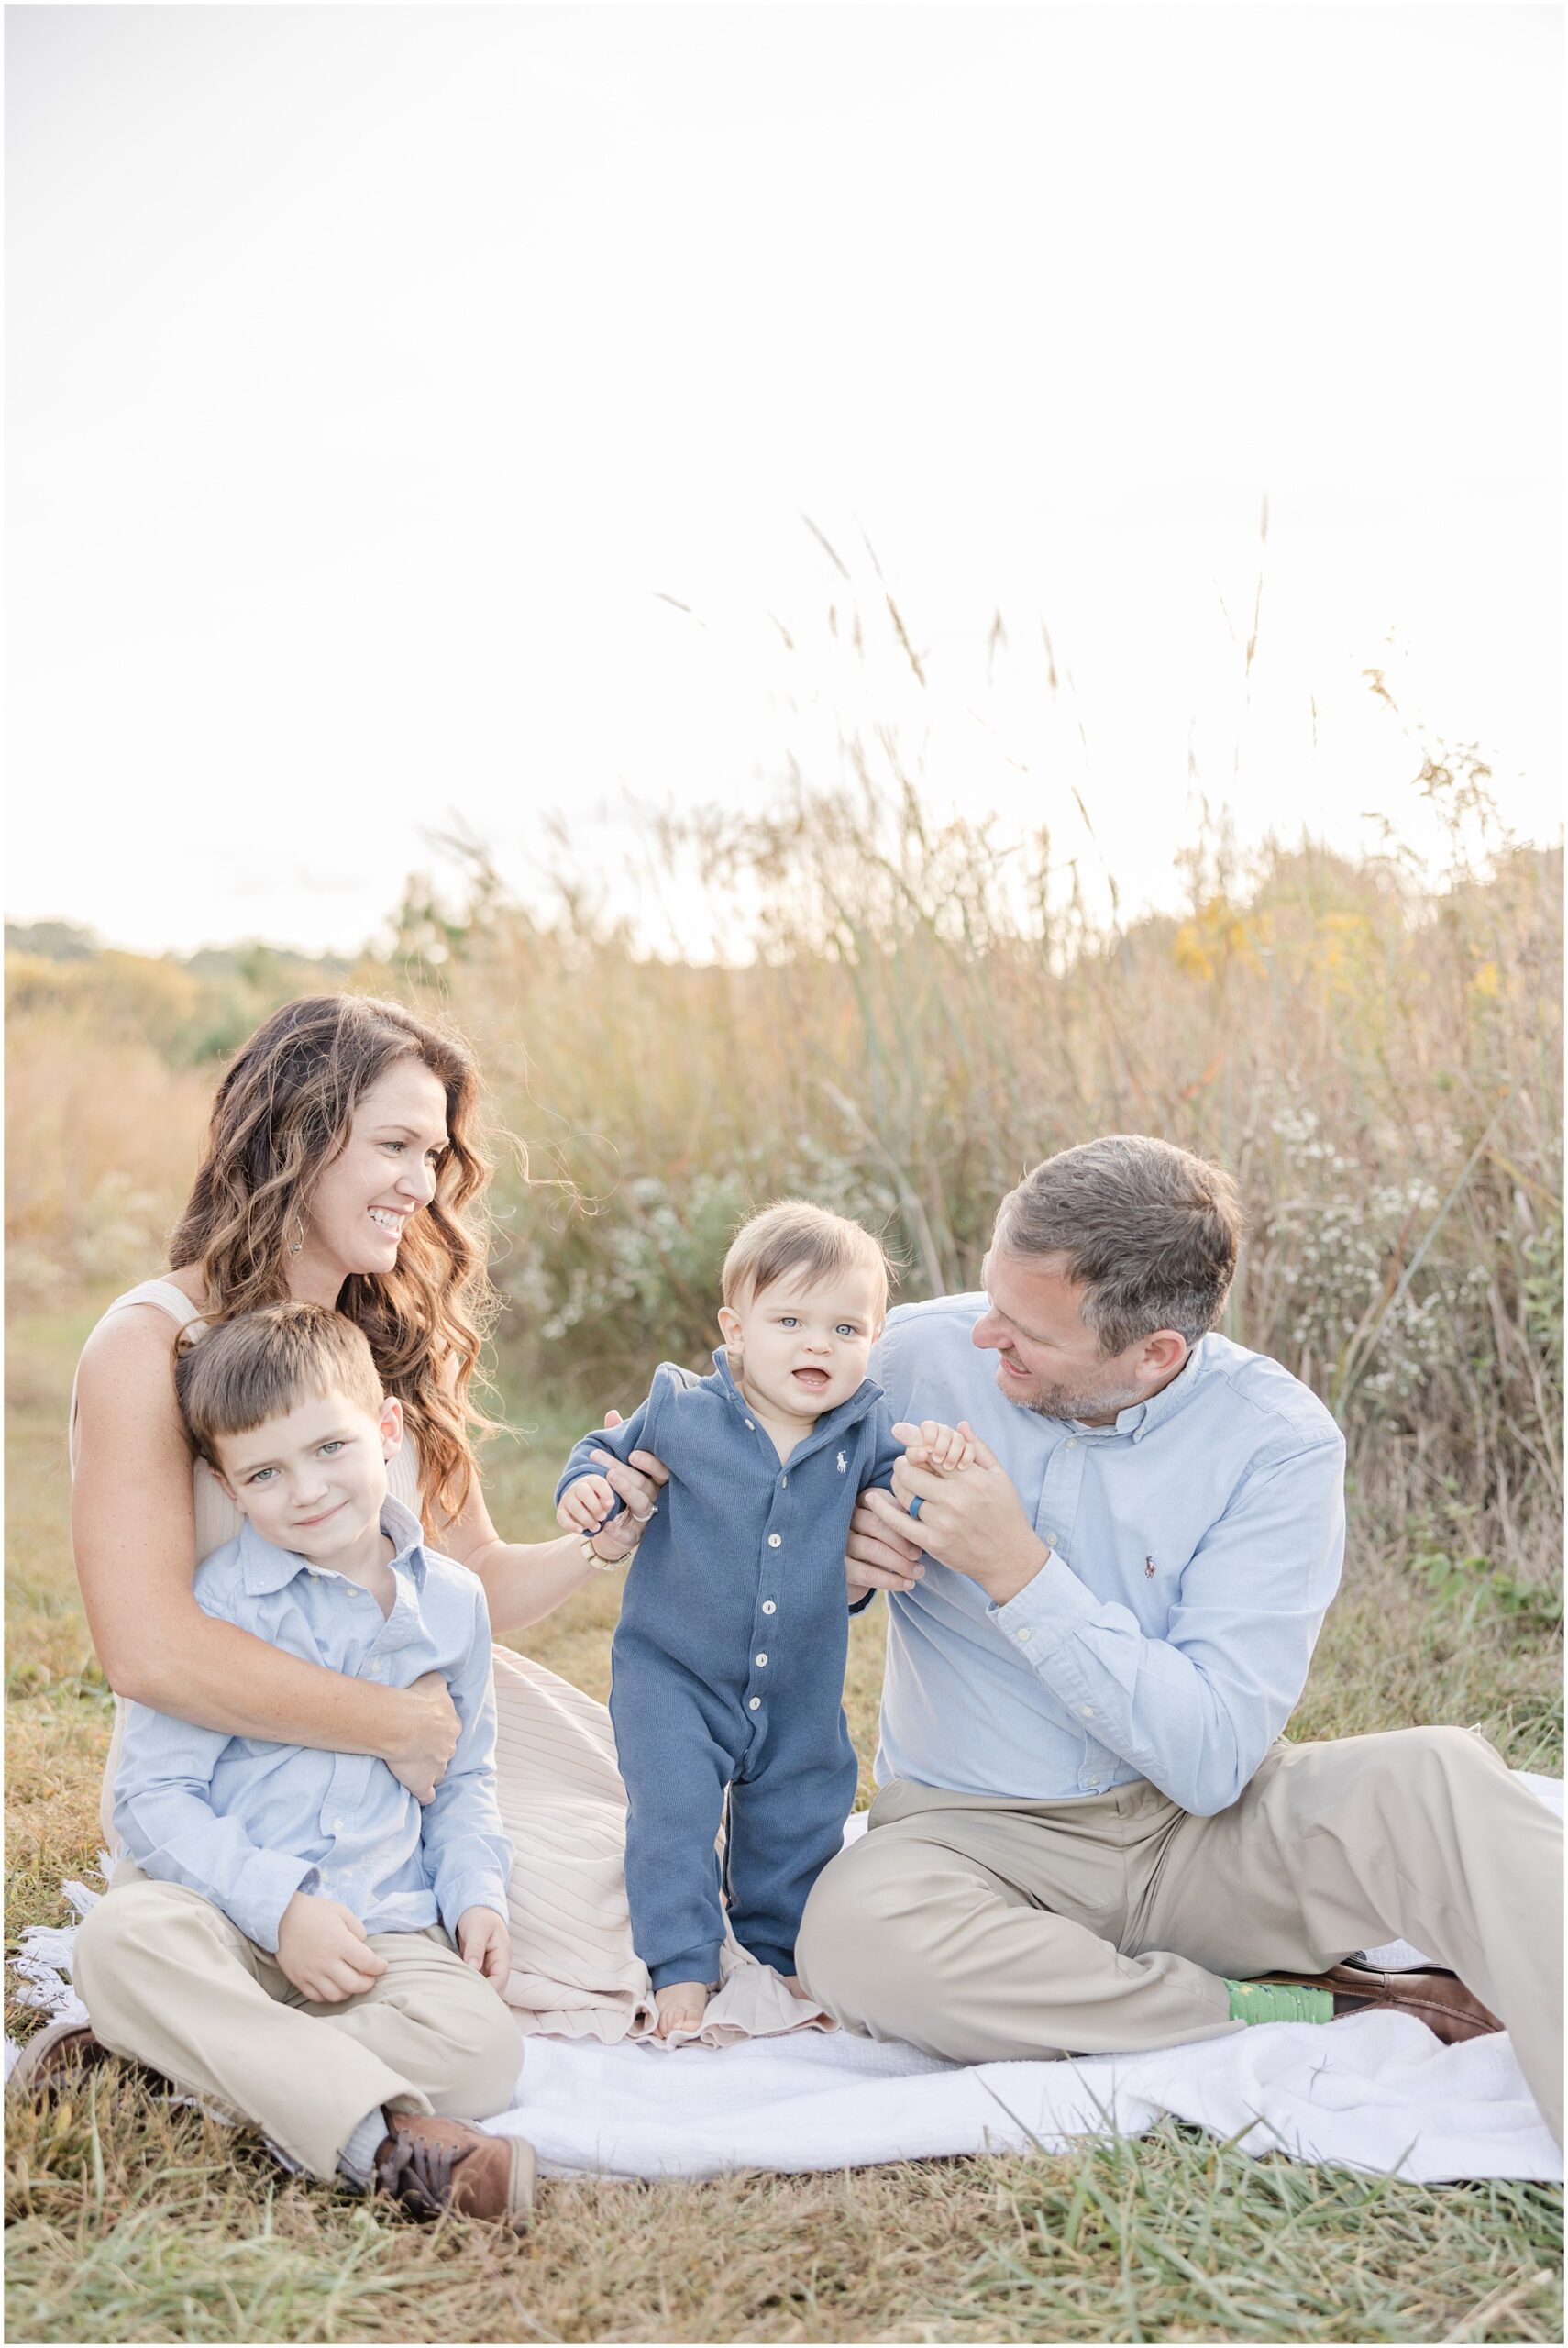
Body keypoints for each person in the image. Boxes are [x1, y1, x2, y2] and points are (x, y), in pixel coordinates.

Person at [798, 1134, 1564, 2151]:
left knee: (1444, 1779)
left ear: (1155, 1350)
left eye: (1028, 1332)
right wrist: (830, 1563)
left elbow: (1210, 1760)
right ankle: (1300, 2006)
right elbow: (754, 1545)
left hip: (1201, 1835)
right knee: (853, 1936)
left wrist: (1018, 1570)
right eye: (990, 1300)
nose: (985, 1338)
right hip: (969, 1837)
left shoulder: (1278, 1444)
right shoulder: (901, 1359)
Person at [13, 995, 665, 2093]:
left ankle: (188, 2049)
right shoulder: (149, 1343)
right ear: (298, 1137)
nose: (424, 1182)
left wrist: (613, 1534)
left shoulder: (395, 1347)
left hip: (433, 1753)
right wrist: (394, 1722)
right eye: (396, 1145)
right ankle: (240, 2032)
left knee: (665, 1888)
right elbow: (148, 1652)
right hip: (239, 1770)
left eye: (438, 1152)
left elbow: (472, 1589)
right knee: (571, 1946)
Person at [72, 1303, 532, 2224]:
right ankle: (390, 2148)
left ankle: (170, 2059)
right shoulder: (219, 1607)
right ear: (227, 1486)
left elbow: (465, 1774)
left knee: (483, 2048)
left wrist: (478, 1889)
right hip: (231, 1918)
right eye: (265, 1473)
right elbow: (154, 1793)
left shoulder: (453, 1606)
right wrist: (279, 1907)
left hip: (384, 1932)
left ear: (388, 1430)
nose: (307, 1489)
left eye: (330, 1448)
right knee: (120, 1939)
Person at [556, 1202, 963, 2041]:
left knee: (802, 1812)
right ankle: (683, 1967)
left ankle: (779, 1957)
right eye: (790, 1321)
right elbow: (597, 1454)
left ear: (873, 1339)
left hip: (799, 1683)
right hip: (674, 1672)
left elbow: (902, 1498)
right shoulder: (680, 1411)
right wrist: (586, 1486)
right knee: (672, 1815)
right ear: (735, 1331)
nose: (818, 1345)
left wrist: (930, 1474)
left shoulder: (863, 1430)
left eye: (846, 1328)